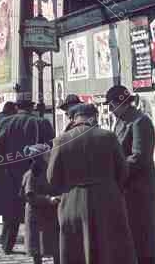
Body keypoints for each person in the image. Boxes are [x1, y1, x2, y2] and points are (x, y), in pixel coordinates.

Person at [47, 103, 137, 264]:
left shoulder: (61, 140)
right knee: (110, 249)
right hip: (107, 200)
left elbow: (52, 178)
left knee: (76, 250)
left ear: (74, 119)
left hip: (73, 202)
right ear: (94, 117)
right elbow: (123, 171)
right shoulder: (108, 137)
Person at [0, 99, 55, 254]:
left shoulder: (6, 122)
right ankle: (39, 247)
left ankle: (7, 245)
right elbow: (50, 146)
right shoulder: (41, 123)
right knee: (37, 209)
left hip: (9, 173)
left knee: (11, 212)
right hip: (34, 172)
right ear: (32, 108)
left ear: (17, 108)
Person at [105, 85, 155, 264]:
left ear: (122, 103)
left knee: (142, 241)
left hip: (138, 191)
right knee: (128, 243)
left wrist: (113, 170)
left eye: (112, 105)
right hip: (124, 190)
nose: (110, 110)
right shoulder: (121, 121)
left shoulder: (139, 121)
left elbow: (139, 157)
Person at [21, 143, 60, 264]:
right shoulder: (31, 175)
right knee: (37, 247)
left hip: (49, 214)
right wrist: (48, 199)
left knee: (54, 245)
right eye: (47, 155)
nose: (50, 157)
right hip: (36, 216)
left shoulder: (49, 171)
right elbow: (30, 197)